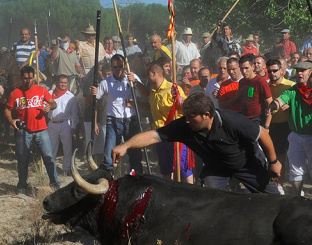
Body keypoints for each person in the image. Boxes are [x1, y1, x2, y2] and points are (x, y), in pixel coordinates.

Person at [112, 92, 281, 194]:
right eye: (185, 116)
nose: (186, 121)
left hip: (247, 164)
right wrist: (125, 145)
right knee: (209, 203)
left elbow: (263, 134)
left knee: (273, 200)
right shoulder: (185, 125)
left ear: (206, 115)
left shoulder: (233, 121)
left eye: (191, 116)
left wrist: (273, 162)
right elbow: (154, 136)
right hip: (216, 169)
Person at [4, 66, 60, 194]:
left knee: (49, 157)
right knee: (23, 159)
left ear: (34, 77)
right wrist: (11, 121)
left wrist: (49, 107)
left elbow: (53, 103)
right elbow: (7, 109)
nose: (28, 81)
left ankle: (54, 183)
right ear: (21, 78)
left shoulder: (41, 90)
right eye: (25, 78)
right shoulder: (15, 93)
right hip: (24, 131)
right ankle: (22, 185)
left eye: (30, 78)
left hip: (41, 130)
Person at [88, 54, 143, 174]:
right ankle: (108, 179)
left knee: (135, 155)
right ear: (111, 68)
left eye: (120, 67)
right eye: (115, 67)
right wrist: (92, 94)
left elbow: (146, 94)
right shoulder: (106, 82)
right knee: (109, 155)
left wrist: (136, 83)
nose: (118, 70)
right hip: (113, 121)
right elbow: (92, 102)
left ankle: (136, 179)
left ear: (124, 66)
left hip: (131, 120)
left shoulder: (132, 78)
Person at [268, 61, 312, 196]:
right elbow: (281, 99)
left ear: (310, 72)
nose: (299, 73)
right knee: (295, 171)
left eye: (303, 70)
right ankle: (298, 199)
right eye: (297, 70)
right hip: (296, 136)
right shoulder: (293, 90)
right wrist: (274, 104)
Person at [266, 58, 295, 195]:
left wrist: (291, 104)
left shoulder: (291, 86)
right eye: (269, 71)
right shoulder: (266, 86)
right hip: (273, 126)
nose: (272, 73)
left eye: (275, 70)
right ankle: (279, 185)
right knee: (278, 157)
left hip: (289, 126)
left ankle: (296, 186)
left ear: (282, 71)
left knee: (294, 157)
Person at [47, 75, 79, 176]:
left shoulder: (71, 97)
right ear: (57, 83)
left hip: (65, 124)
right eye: (61, 82)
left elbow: (74, 113)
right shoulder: (49, 94)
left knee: (67, 147)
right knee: (51, 147)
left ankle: (66, 168)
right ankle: (48, 168)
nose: (63, 84)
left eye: (65, 83)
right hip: (52, 124)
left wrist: (73, 126)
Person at [83, 62, 111, 162]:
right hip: (102, 121)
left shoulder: (117, 84)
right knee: (100, 148)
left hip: (114, 121)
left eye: (109, 74)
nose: (106, 76)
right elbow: (91, 104)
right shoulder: (98, 85)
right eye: (105, 74)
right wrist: (95, 123)